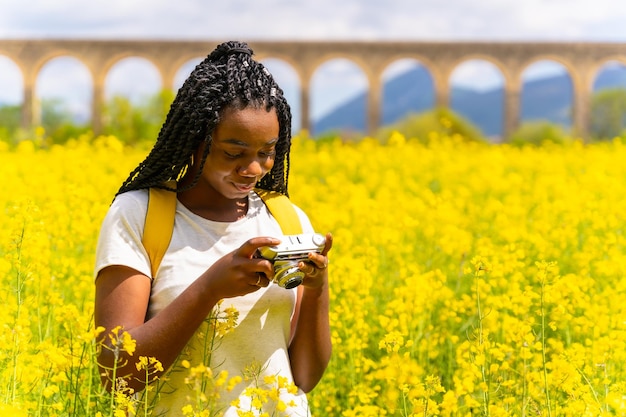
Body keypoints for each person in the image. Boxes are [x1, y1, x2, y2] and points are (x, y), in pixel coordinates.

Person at [94, 40, 333, 416]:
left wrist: (317, 289)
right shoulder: (139, 215)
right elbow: (117, 374)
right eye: (234, 153)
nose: (253, 169)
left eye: (267, 151)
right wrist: (209, 289)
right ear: (194, 142)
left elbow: (303, 377)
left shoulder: (287, 219)